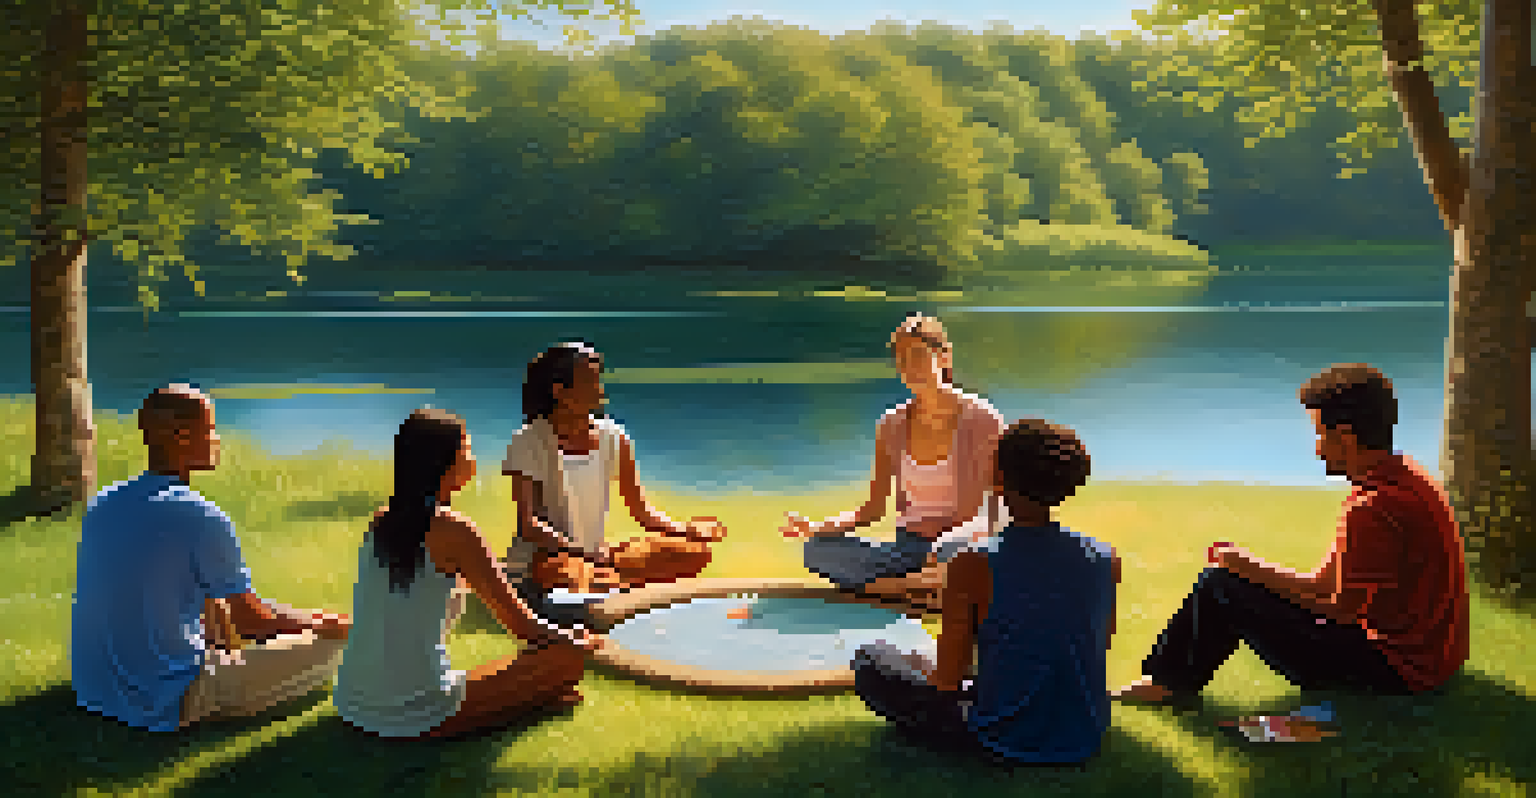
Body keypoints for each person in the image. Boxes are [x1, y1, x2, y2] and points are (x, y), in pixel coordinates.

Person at [1112, 363, 1470, 705]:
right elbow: (1324, 584)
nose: (1316, 447)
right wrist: (1247, 566)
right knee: (1229, 580)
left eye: (1319, 434)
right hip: (1433, 659)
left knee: (1219, 587)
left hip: (1395, 669)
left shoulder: (1372, 508)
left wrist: (1242, 572)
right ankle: (1168, 679)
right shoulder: (1407, 475)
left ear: (1345, 437)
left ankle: (1166, 683)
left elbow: (1340, 610)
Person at [72, 383, 352, 732]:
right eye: (210, 429)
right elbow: (253, 622)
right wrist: (322, 622)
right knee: (337, 645)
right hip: (169, 697)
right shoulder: (199, 515)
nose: (216, 439)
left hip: (95, 689)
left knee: (212, 598)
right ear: (182, 437)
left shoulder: (104, 502)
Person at [852, 418, 1118, 765]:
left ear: (1000, 478)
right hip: (1084, 729)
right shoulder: (1105, 557)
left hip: (1002, 735)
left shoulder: (974, 562)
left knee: (872, 660)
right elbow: (1092, 645)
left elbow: (948, 681)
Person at [335, 408, 599, 739]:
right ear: (444, 464)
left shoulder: (382, 521)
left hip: (352, 703)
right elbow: (523, 626)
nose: (473, 460)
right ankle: (524, 705)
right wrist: (574, 636)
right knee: (566, 659)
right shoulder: (455, 530)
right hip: (413, 714)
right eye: (467, 451)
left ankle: (525, 700)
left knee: (519, 666)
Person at [781, 312, 1006, 610]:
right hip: (909, 548)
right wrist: (818, 527)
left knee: (949, 552)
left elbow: (994, 504)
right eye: (901, 359)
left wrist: (954, 544)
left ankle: (900, 588)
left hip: (965, 542)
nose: (908, 367)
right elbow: (872, 510)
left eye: (917, 355)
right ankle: (920, 587)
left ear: (944, 357)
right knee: (818, 552)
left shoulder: (982, 418)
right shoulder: (891, 424)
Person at [502, 342, 728, 619]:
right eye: (590, 381)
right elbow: (529, 525)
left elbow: (642, 512)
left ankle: (607, 586)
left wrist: (687, 531)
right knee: (564, 575)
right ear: (559, 391)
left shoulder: (614, 437)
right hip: (549, 559)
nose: (600, 390)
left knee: (694, 553)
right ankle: (608, 589)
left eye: (598, 380)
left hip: (596, 556)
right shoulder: (528, 441)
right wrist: (582, 553)